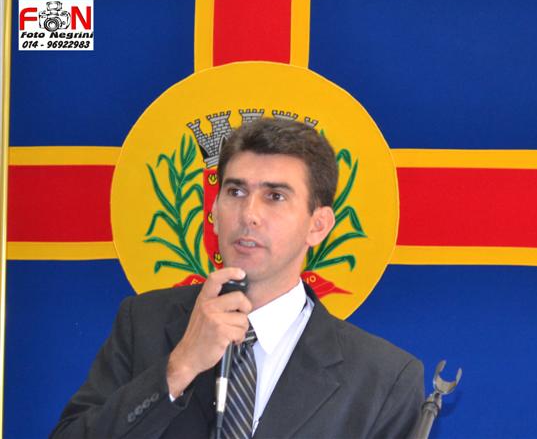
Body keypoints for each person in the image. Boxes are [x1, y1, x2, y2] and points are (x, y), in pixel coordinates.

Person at [50, 118, 424, 439]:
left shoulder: (383, 378)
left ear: (318, 225)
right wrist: (178, 368)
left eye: (275, 196)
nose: (248, 214)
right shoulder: (143, 324)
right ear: (213, 210)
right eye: (236, 191)